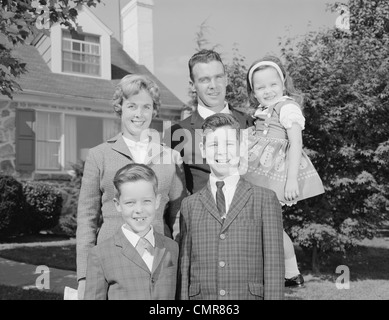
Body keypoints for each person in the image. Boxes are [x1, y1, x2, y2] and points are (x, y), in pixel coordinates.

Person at [76, 74, 187, 299]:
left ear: (154, 111)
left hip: (159, 261)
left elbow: (178, 218)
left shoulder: (170, 157)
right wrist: (84, 276)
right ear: (120, 108)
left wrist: (180, 267)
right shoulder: (99, 155)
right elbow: (87, 218)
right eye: (132, 106)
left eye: (146, 107)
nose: (139, 114)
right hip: (111, 264)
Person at [178, 113, 285, 300]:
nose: (221, 152)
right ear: (203, 149)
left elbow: (274, 267)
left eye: (228, 144)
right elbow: (185, 266)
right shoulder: (189, 205)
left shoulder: (265, 199)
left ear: (241, 147)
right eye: (213, 145)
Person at [242, 56, 325, 287]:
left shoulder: (287, 107)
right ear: (253, 91)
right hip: (258, 169)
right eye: (260, 87)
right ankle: (280, 270)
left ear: (283, 84)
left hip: (276, 172)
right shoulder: (262, 111)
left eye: (272, 85)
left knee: (268, 223)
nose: (267, 91)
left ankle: (290, 271)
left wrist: (291, 181)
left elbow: (296, 143)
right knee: (259, 222)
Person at [164, 49, 254, 194]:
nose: (213, 85)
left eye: (218, 77)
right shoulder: (176, 134)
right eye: (204, 79)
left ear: (227, 79)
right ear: (193, 85)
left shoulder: (250, 124)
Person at [84, 163, 179, 300]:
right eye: (130, 202)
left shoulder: (172, 248)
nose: (139, 209)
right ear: (118, 204)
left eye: (146, 201)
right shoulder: (100, 255)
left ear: (157, 201)